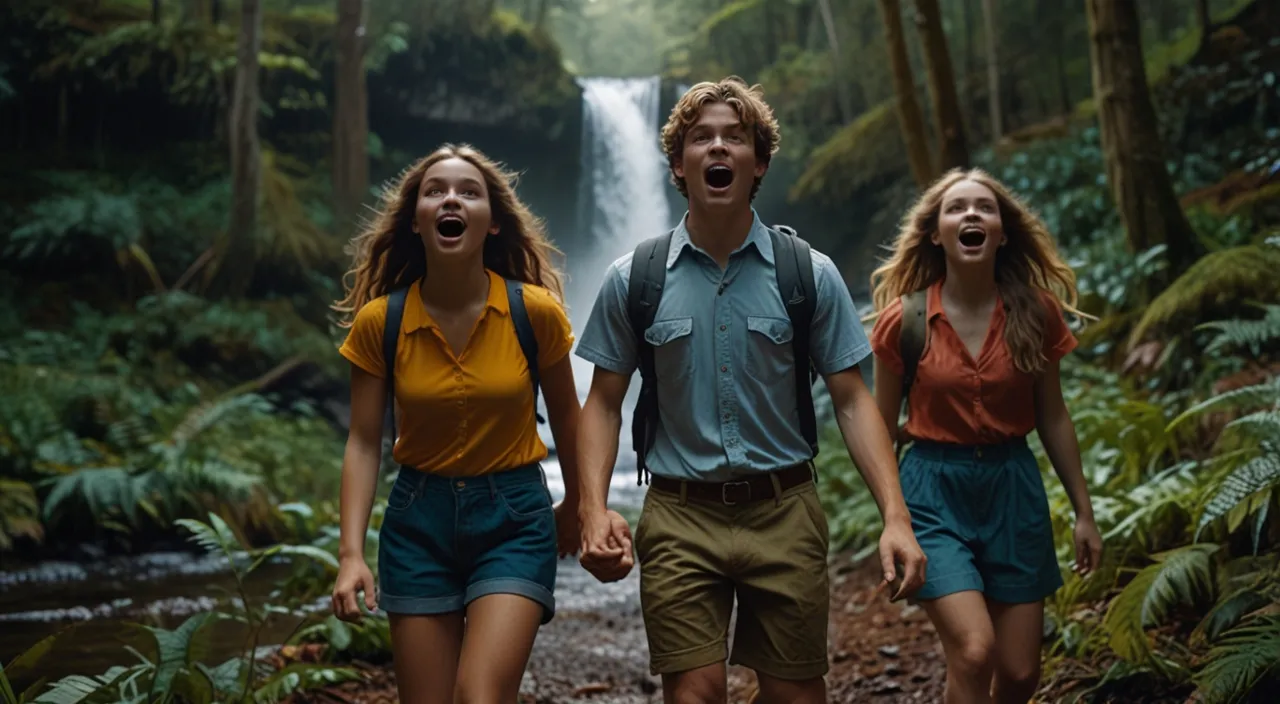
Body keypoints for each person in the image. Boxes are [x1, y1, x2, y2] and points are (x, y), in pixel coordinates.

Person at [573, 76, 927, 704]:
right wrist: (593, 509)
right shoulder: (635, 279)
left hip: (784, 507)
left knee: (797, 696)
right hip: (680, 515)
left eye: (734, 138)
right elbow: (602, 402)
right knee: (695, 694)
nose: (717, 148)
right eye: (700, 138)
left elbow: (851, 398)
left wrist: (894, 517)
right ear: (678, 165)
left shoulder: (807, 274)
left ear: (758, 161)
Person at [329, 143, 582, 704]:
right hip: (418, 523)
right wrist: (350, 555)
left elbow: (568, 414)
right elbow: (365, 440)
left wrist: (580, 505)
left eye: (470, 192)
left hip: (514, 518)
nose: (452, 200)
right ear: (416, 220)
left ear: (492, 223)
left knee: (481, 694)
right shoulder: (382, 322)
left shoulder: (533, 311)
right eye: (435, 191)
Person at [867, 168, 1103, 704]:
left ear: (1001, 232)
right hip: (932, 491)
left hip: (1013, 488)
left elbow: (1054, 416)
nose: (971, 214)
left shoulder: (1036, 313)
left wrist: (1084, 512)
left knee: (1019, 675)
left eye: (985, 208)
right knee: (974, 652)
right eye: (956, 208)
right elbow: (878, 429)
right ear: (936, 233)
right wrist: (893, 519)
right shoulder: (902, 321)